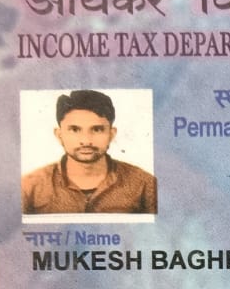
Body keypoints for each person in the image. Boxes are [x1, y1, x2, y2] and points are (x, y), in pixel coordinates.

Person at [21, 90, 157, 214]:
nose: (86, 141)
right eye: (75, 130)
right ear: (59, 134)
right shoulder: (29, 187)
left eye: (97, 129)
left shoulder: (145, 185)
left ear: (111, 134)